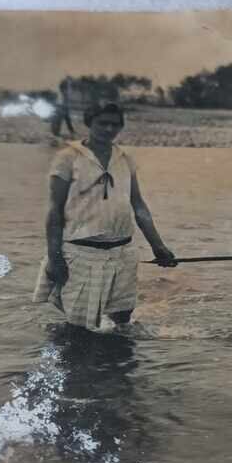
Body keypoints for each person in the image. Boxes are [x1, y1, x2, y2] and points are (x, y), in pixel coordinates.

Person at [34, 101, 177, 330]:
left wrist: (158, 247)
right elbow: (55, 211)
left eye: (115, 124)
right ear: (89, 123)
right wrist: (54, 257)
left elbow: (138, 205)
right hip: (80, 252)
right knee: (78, 325)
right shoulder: (67, 158)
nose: (109, 129)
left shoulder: (125, 159)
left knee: (122, 322)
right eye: (103, 123)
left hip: (122, 252)